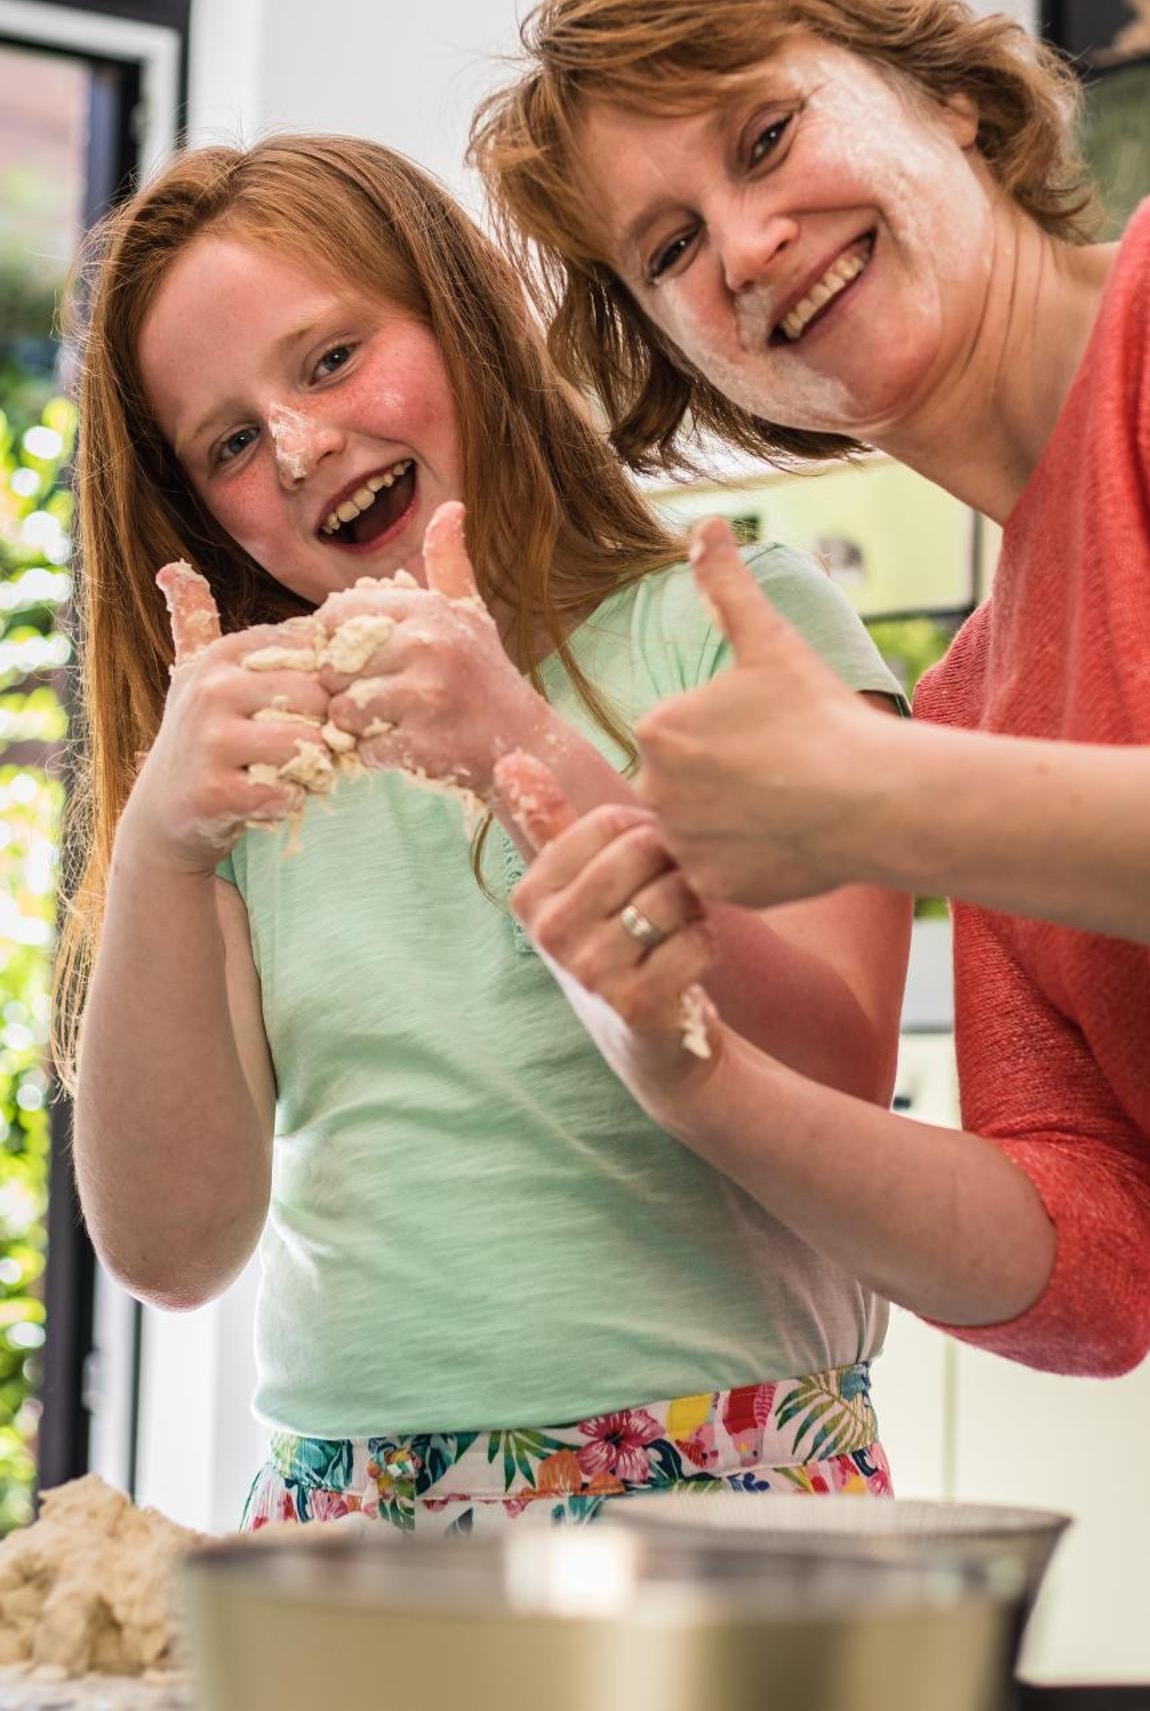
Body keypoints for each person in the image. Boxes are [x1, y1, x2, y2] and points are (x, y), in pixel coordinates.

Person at [469, 0, 1150, 1536]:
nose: (739, 246)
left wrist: (888, 801)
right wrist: (692, 1080)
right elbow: (1091, 1267)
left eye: (767, 133)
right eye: (664, 250)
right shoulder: (971, 696)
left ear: (943, 90)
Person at [59, 132, 913, 1531]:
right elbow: (169, 1249)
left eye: (330, 360)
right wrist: (161, 846)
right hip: (350, 1509)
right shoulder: (257, 761)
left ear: (464, 317)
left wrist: (518, 741)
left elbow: (833, 1066)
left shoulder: (734, 621)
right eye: (226, 442)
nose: (300, 443)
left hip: (729, 1486)